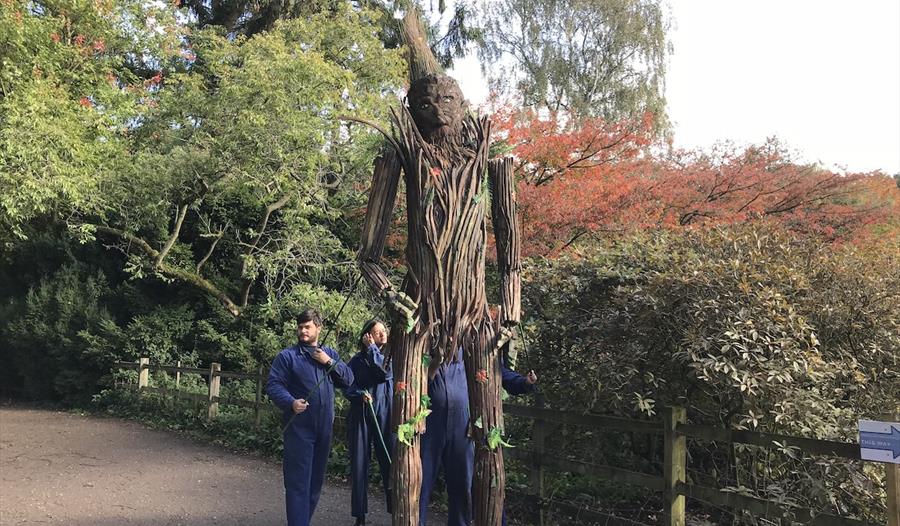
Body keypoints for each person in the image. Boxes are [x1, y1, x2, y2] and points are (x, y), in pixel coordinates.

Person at [419, 348, 538, 526]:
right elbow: (413, 381)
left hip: (462, 425)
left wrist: (524, 382)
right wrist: (434, 365)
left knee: (462, 485)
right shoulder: (427, 347)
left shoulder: (471, 349)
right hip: (430, 425)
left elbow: (500, 372)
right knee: (421, 481)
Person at [266, 309, 354, 526]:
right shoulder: (288, 356)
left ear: (318, 328)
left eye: (307, 326)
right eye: (300, 327)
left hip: (324, 430)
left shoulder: (329, 353)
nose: (303, 330)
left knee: (315, 484)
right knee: (298, 484)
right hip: (299, 430)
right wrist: (291, 402)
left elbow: (349, 380)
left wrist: (328, 361)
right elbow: (273, 385)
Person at [344, 319, 394, 526]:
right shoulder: (355, 361)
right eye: (376, 332)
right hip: (361, 415)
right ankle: (360, 516)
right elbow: (347, 386)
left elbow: (383, 374)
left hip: (385, 414)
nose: (382, 334)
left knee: (390, 463)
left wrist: (373, 349)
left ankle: (396, 511)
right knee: (359, 464)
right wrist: (358, 395)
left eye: (384, 331)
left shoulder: (390, 358)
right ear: (367, 335)